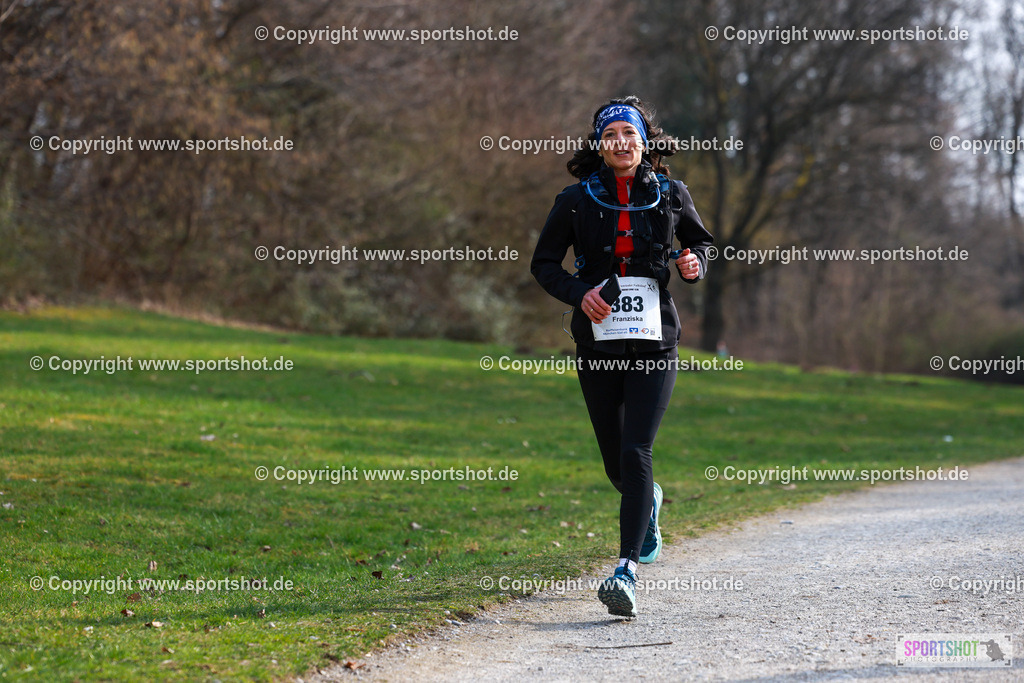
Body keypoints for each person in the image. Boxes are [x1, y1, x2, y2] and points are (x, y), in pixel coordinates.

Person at [530, 96, 713, 617]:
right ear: (599, 145)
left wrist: (694, 264)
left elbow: (702, 245)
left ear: (644, 140)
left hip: (656, 341)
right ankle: (648, 502)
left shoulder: (671, 194)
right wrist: (579, 293)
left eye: (629, 133)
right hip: (599, 342)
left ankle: (625, 570)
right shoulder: (575, 200)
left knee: (636, 451)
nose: (621, 142)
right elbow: (544, 264)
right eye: (610, 135)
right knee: (615, 461)